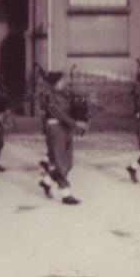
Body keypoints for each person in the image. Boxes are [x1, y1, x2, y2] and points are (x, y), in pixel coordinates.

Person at [38, 70, 87, 205]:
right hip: (55, 130)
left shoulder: (64, 95)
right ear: (54, 83)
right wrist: (75, 123)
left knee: (68, 162)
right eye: (61, 80)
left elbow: (71, 111)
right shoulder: (49, 96)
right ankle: (66, 194)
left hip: (66, 129)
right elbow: (58, 113)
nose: (64, 82)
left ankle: (46, 181)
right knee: (60, 162)